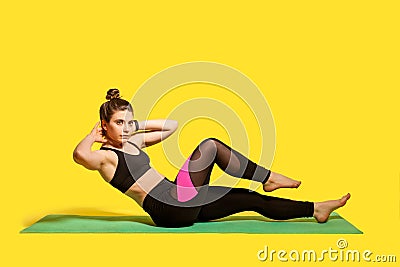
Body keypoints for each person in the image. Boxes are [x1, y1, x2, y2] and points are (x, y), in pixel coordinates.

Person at [73, 88, 351, 228]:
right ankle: (269, 177)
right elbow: (79, 155)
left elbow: (171, 125)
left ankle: (315, 208)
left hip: (181, 198)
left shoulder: (134, 141)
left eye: (128, 122)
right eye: (119, 122)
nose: (125, 128)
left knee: (247, 198)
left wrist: (137, 123)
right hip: (168, 207)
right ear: (104, 124)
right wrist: (92, 134)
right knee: (210, 146)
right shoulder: (106, 157)